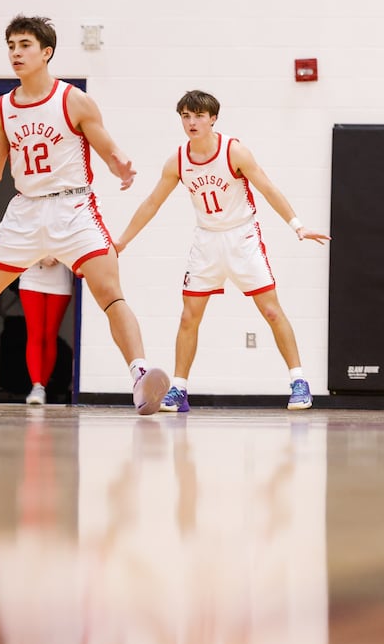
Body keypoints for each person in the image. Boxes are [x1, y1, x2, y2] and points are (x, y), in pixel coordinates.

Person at [0, 16, 171, 416]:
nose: (15, 52)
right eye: (10, 45)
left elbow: (108, 148)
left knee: (109, 292)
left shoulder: (73, 100)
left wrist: (120, 166)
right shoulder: (3, 109)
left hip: (73, 208)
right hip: (24, 212)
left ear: (46, 52)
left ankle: (140, 376)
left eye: (24, 45)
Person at [113, 89, 328, 412]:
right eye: (186, 116)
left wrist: (297, 226)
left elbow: (267, 187)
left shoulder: (234, 151)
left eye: (198, 115)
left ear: (213, 118)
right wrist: (122, 241)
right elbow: (152, 203)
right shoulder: (178, 160)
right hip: (207, 241)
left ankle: (299, 382)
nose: (191, 122)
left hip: (242, 236)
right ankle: (179, 389)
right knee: (189, 316)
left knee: (271, 310)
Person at [19, 259, 73, 405]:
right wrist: (41, 256)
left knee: (50, 335)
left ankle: (41, 387)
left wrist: (59, 254)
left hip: (60, 281)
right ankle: (37, 386)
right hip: (31, 278)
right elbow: (21, 238)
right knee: (35, 334)